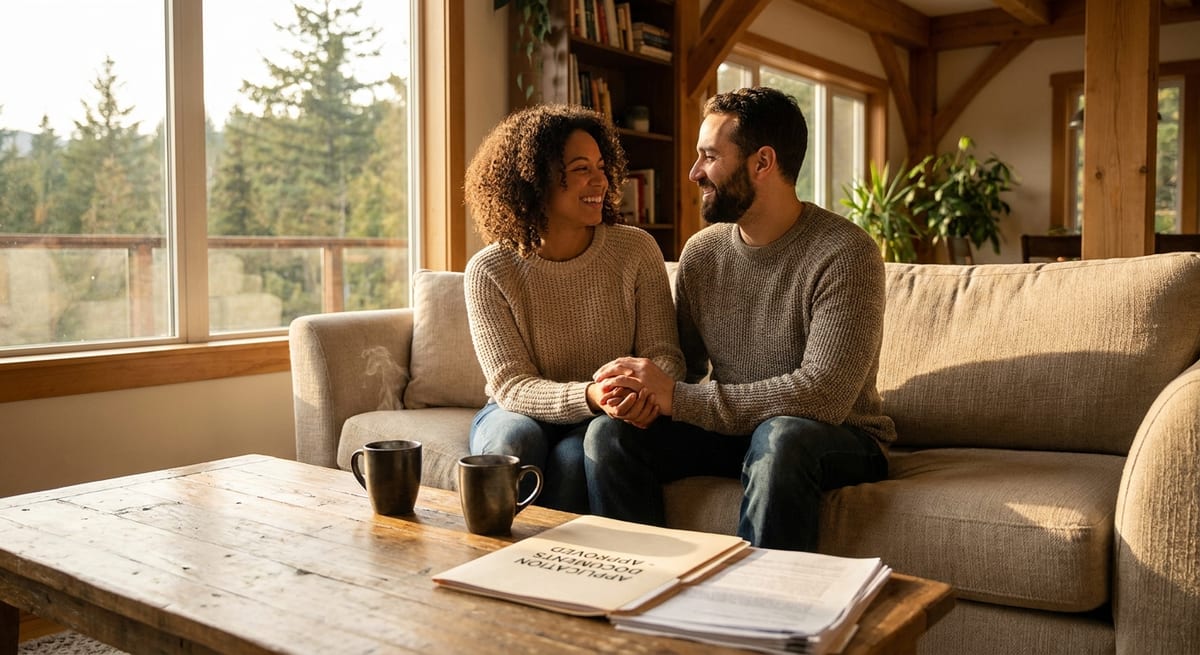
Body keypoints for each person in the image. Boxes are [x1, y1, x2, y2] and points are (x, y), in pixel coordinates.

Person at [584, 87, 896, 551]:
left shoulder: (846, 254)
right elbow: (683, 371)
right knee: (610, 435)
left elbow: (823, 396)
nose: (694, 173)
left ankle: (759, 611)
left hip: (835, 437)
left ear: (762, 163)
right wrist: (643, 397)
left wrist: (681, 400)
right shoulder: (702, 253)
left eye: (709, 157)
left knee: (782, 436)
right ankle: (642, 592)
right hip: (736, 430)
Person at [462, 103, 685, 514]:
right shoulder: (489, 270)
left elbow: (665, 356)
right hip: (518, 410)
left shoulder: (635, 249)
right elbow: (511, 386)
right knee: (514, 440)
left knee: (572, 461)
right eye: (581, 168)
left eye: (602, 166)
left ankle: (582, 570)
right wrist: (590, 394)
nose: (600, 180)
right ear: (532, 179)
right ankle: (493, 561)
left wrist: (636, 393)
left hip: (605, 414)